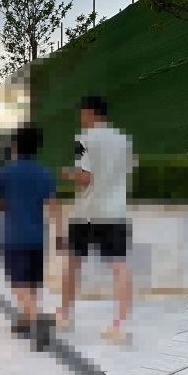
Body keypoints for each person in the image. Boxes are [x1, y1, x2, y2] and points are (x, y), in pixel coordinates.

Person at [56, 94, 134, 343]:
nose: (81, 118)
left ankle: (64, 315)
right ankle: (120, 325)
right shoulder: (123, 141)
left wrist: (67, 174)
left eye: (82, 113)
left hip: (88, 212)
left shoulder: (85, 139)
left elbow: (85, 177)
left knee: (72, 262)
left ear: (90, 113)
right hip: (115, 210)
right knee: (120, 265)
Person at [0, 124, 60, 344]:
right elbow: (53, 207)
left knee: (19, 283)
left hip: (15, 237)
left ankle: (36, 319)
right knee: (32, 281)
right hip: (38, 238)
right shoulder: (44, 173)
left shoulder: (5, 172)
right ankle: (25, 318)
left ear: (15, 145)